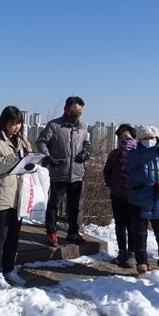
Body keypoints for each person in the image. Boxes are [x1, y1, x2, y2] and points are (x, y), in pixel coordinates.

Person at [0, 106, 30, 290]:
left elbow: (26, 162)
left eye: (19, 123)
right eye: (13, 123)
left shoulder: (22, 141)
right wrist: (15, 157)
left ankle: (9, 269)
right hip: (0, 194)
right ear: (4, 122)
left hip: (19, 195)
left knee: (14, 236)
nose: (16, 127)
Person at [36, 96, 92, 247]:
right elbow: (41, 142)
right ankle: (51, 232)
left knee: (75, 206)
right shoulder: (54, 125)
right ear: (66, 109)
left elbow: (87, 143)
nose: (77, 112)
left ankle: (73, 233)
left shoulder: (84, 127)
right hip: (59, 172)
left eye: (80, 110)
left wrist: (87, 151)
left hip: (77, 174)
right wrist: (48, 157)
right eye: (75, 109)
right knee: (54, 203)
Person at [127, 125, 159, 279]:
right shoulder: (134, 155)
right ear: (140, 140)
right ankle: (142, 267)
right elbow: (143, 157)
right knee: (139, 236)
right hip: (139, 202)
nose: (150, 141)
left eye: (152, 138)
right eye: (146, 138)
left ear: (157, 139)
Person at [103, 123, 137, 267]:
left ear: (133, 137)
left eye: (126, 136)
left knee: (132, 225)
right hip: (117, 194)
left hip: (133, 195)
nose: (124, 139)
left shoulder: (138, 153)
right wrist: (112, 183)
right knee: (119, 225)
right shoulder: (114, 154)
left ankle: (132, 254)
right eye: (121, 137)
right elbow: (107, 171)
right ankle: (122, 252)